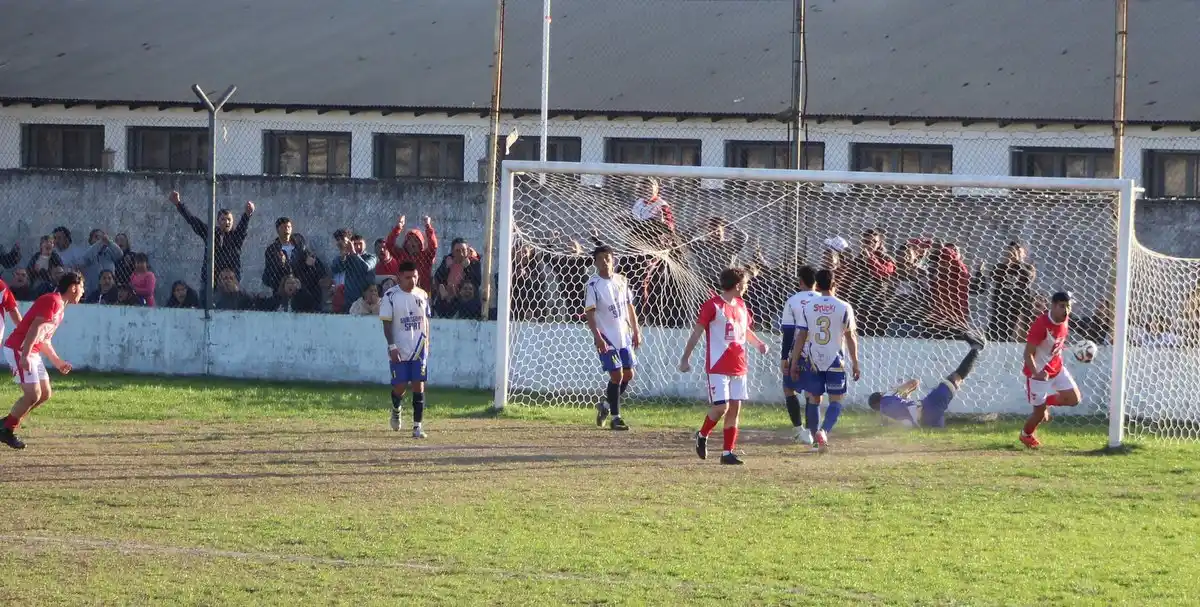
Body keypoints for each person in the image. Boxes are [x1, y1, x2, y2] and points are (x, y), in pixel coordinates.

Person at [679, 267, 768, 465]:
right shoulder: (713, 306)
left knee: (735, 409)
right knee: (721, 407)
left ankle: (727, 452)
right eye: (745, 283)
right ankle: (702, 434)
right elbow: (697, 332)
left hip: (739, 365)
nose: (747, 286)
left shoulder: (742, 306)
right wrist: (685, 358)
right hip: (718, 366)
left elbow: (745, 331)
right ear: (737, 285)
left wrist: (759, 344)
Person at [0, 271, 85, 450]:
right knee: (33, 395)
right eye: (82, 287)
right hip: (19, 348)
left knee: (45, 394)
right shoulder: (53, 301)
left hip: (31, 351)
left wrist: (57, 361)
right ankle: (6, 430)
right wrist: (24, 355)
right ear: (73, 287)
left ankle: (6, 424)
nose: (83, 291)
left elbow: (44, 338)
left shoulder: (60, 307)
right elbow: (34, 328)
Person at [788, 268, 861, 452]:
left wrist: (795, 361)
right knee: (836, 400)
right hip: (835, 360)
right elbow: (851, 336)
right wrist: (855, 362)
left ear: (817, 285)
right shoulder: (844, 306)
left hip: (813, 360)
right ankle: (824, 431)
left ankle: (814, 441)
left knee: (814, 399)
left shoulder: (809, 306)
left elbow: (801, 336)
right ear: (834, 284)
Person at [869, 332, 987, 428]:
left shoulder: (886, 415)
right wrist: (905, 393)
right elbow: (914, 382)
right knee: (953, 380)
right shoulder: (888, 396)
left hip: (923, 422)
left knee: (954, 385)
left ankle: (979, 422)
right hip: (928, 406)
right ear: (880, 396)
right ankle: (977, 348)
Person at [584, 245, 643, 431]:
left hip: (623, 335)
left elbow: (630, 307)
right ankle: (616, 418)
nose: (604, 261)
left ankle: (606, 407)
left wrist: (636, 330)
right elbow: (590, 314)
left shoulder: (622, 280)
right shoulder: (593, 285)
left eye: (607, 257)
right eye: (600, 258)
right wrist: (598, 337)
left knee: (629, 374)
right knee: (616, 375)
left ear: (613, 259)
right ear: (595, 262)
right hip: (606, 337)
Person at [1019, 291, 1081, 449]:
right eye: (1062, 306)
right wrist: (1036, 373)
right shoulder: (1041, 325)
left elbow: (1056, 344)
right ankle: (1026, 435)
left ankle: (1044, 403)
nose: (1066, 311)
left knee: (1074, 399)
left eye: (1068, 307)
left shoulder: (1065, 319)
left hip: (1056, 367)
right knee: (1039, 415)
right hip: (1038, 374)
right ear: (1052, 306)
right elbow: (1027, 354)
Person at [380, 261, 432, 439]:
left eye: (415, 276)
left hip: (419, 348)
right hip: (399, 348)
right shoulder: (390, 296)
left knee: (418, 385)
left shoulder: (423, 295)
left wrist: (428, 344)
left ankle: (417, 427)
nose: (412, 280)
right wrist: (392, 346)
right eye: (408, 277)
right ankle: (396, 408)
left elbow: (426, 321)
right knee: (400, 386)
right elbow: (386, 323)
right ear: (399, 277)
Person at [780, 265, 820, 444]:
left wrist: (784, 357)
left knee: (789, 389)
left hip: (798, 353)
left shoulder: (793, 300)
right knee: (813, 394)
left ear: (800, 281)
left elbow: (788, 331)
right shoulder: (823, 299)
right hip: (818, 354)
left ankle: (799, 430)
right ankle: (813, 433)